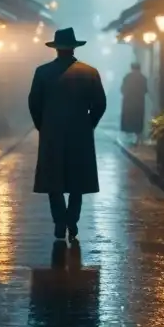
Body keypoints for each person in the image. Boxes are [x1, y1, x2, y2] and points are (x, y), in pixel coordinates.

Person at [28, 27, 107, 243]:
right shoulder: (90, 72)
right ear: (73, 48)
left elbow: (34, 104)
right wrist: (89, 124)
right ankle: (72, 221)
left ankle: (59, 222)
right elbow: (100, 104)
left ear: (56, 49)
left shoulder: (42, 72)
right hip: (79, 133)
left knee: (53, 180)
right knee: (77, 181)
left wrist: (42, 126)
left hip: (52, 132)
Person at [120, 62, 148, 144]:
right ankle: (137, 136)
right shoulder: (143, 78)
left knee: (129, 118)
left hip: (128, 102)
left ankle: (129, 135)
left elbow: (122, 89)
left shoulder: (127, 77)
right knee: (138, 119)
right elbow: (145, 90)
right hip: (139, 102)